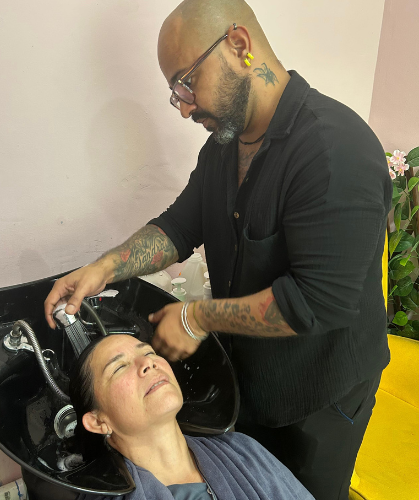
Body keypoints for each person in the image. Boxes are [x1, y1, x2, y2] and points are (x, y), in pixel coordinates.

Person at [45, 1, 392, 498]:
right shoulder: (224, 148)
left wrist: (196, 318)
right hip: (249, 385)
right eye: (175, 93)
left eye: (186, 82)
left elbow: (318, 301)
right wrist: (104, 269)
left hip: (320, 398)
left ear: (239, 46)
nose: (184, 107)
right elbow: (178, 227)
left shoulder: (335, 149)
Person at [69, 333, 315, 500]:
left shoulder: (243, 451)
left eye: (150, 352)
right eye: (119, 367)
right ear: (98, 422)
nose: (148, 363)